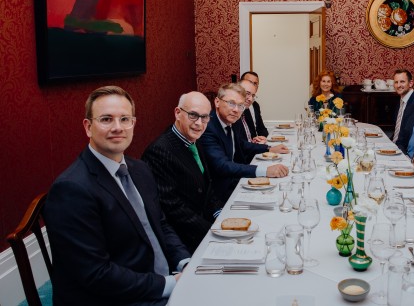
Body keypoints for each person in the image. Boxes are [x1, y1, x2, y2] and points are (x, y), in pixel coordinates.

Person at [44, 86, 190, 306]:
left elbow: (160, 223)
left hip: (153, 279)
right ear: (88, 127)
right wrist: (168, 284)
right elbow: (96, 274)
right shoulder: (72, 189)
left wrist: (184, 262)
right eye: (106, 119)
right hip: (114, 298)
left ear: (133, 124)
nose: (117, 127)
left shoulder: (139, 169)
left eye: (125, 119)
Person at [141, 91, 219, 253]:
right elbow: (173, 208)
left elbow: (207, 186)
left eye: (205, 117)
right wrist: (213, 231)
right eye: (193, 115)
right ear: (177, 113)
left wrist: (220, 215)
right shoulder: (160, 151)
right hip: (185, 241)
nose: (199, 123)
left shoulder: (193, 140)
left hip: (204, 227)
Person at [200, 83, 289, 203]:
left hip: (235, 181)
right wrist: (264, 170)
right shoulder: (208, 127)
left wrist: (268, 148)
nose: (236, 110)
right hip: (218, 195)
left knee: (279, 195)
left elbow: (241, 144)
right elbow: (222, 166)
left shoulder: (232, 120)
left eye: (240, 106)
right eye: (231, 103)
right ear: (217, 102)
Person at [236, 79, 267, 145]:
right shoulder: (233, 115)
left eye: (253, 96)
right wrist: (268, 148)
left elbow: (242, 143)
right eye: (247, 93)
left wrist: (253, 141)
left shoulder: (242, 112)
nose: (250, 99)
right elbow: (240, 146)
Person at [391, 69, 414, 143]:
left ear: (411, 83)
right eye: (396, 82)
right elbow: (398, 129)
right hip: (396, 143)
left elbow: (409, 133)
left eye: (402, 81)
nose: (398, 85)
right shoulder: (401, 100)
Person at [240, 71, 269, 137]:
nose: (252, 85)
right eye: (249, 82)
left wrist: (264, 139)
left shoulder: (256, 105)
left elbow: (261, 128)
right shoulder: (238, 107)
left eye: (255, 83)